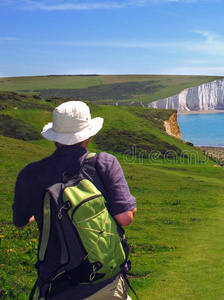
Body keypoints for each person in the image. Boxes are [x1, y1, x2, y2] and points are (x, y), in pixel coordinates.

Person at [12, 101, 137, 299]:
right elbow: (125, 218)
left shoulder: (30, 174)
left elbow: (19, 221)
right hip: (102, 283)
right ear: (87, 133)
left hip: (54, 283)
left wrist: (42, 212)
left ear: (55, 136)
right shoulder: (103, 163)